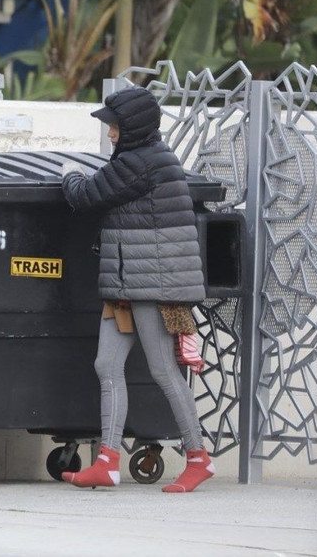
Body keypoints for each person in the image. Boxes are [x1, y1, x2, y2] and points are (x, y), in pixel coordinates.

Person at [59, 85, 214, 493]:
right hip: (128, 280)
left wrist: (68, 173)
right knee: (106, 366)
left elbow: (85, 195)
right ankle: (107, 462)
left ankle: (198, 458)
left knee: (163, 370)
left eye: (115, 126)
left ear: (133, 127)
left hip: (151, 283)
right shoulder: (148, 157)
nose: (110, 133)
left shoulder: (139, 162)